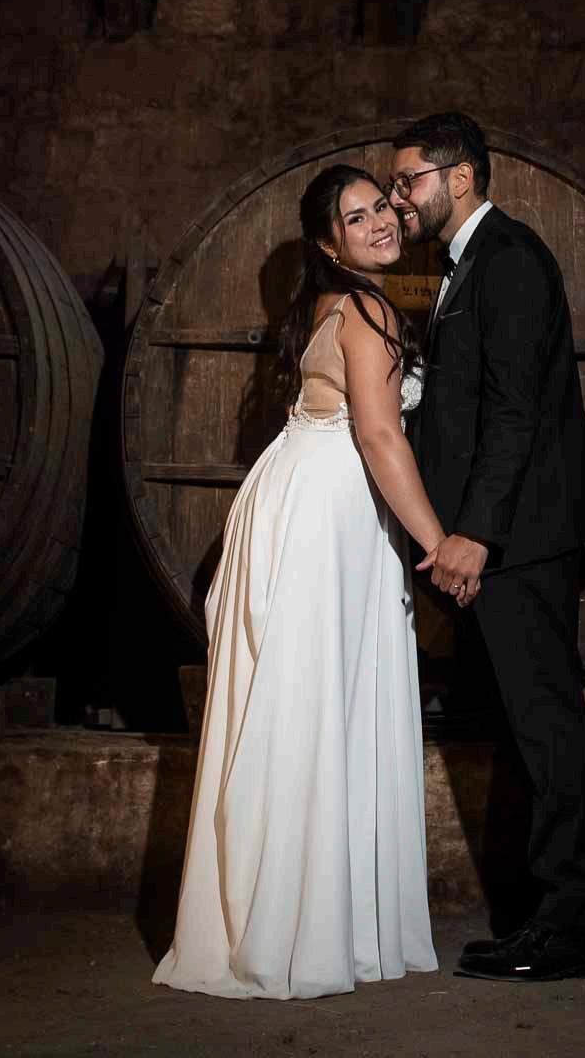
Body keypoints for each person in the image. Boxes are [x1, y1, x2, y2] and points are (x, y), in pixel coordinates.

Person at [153, 165, 442, 1000]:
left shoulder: (326, 307)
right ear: (328, 242)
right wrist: (437, 545)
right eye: (356, 217)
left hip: (291, 490)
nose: (380, 221)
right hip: (328, 508)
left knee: (297, 701)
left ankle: (286, 913)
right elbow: (381, 438)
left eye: (381, 205)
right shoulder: (368, 311)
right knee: (320, 703)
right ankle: (306, 928)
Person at [388, 112, 585, 983]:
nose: (399, 198)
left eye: (409, 180)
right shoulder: (469, 262)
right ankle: (544, 919)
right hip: (509, 536)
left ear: (460, 178)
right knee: (526, 729)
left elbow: (516, 411)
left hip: (520, 539)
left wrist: (475, 532)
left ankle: (573, 927)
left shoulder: (509, 259)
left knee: (547, 726)